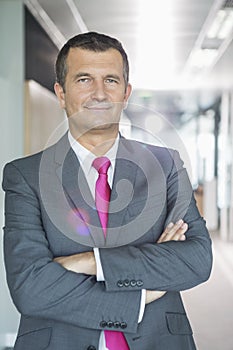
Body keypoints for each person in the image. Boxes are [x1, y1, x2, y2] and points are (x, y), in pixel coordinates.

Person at [2, 32, 212, 350]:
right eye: (84, 79)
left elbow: (197, 259)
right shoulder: (26, 176)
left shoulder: (165, 165)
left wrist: (91, 261)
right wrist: (140, 296)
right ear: (61, 93)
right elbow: (30, 288)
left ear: (125, 93)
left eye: (111, 80)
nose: (99, 93)